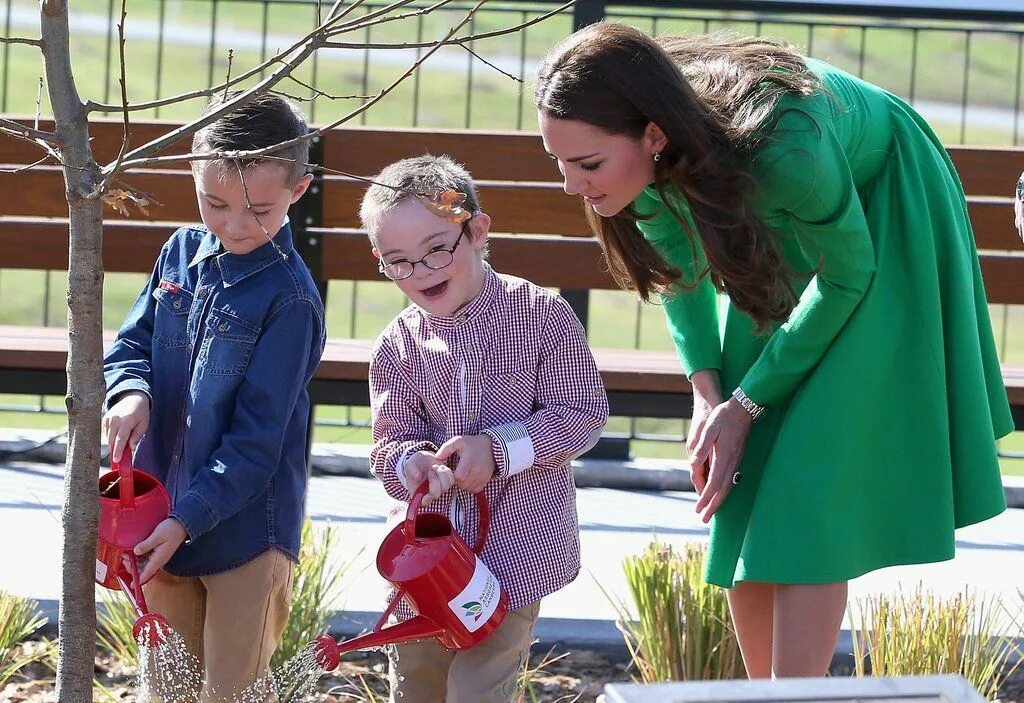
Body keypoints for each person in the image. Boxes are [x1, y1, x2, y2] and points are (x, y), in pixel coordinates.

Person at [535, 22, 1012, 679]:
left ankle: (796, 697)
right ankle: (766, 696)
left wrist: (748, 399)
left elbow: (848, 274)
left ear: (652, 136)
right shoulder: (646, 139)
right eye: (558, 163)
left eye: (586, 165)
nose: (571, 186)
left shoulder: (784, 150)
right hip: (781, 207)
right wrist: (710, 394)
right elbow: (681, 268)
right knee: (747, 471)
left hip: (877, 209)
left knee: (805, 488)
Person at [102, 92, 326, 701]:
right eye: (215, 203)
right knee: (166, 688)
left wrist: (186, 519)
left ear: (298, 190)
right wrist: (130, 390)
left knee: (233, 691)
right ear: (194, 177)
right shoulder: (179, 253)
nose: (233, 224)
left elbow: (256, 443)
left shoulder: (291, 301)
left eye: (259, 209)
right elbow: (133, 344)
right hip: (158, 516)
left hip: (246, 533)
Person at [360, 155, 608, 703]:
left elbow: (582, 415)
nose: (421, 272)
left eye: (436, 250)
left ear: (476, 230)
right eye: (398, 262)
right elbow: (388, 443)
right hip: (424, 561)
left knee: (478, 689)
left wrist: (501, 450)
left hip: (513, 554)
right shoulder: (397, 343)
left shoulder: (540, 315)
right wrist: (412, 463)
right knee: (417, 684)